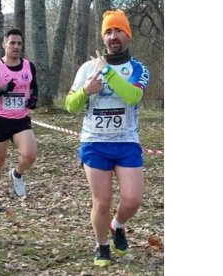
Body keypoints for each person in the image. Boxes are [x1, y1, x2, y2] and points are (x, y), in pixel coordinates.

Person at [65, 9, 150, 266]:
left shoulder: (138, 68)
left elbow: (134, 96)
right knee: (101, 201)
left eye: (118, 31)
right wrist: (86, 90)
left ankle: (117, 225)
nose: (113, 36)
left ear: (128, 35)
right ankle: (101, 246)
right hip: (95, 142)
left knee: (133, 198)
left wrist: (109, 72)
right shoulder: (88, 68)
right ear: (104, 37)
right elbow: (70, 105)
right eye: (108, 31)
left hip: (126, 142)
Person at [0, 28, 38, 213]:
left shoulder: (29, 66)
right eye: (12, 43)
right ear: (4, 44)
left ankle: (17, 173)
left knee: (30, 155)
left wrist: (33, 100)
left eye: (19, 43)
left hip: (21, 119)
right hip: (1, 119)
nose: (16, 46)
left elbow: (34, 88)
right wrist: (4, 89)